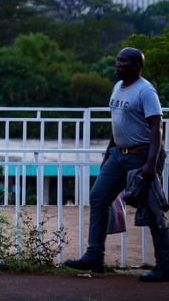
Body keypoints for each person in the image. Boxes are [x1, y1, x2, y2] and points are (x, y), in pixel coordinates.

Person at [64, 47, 167, 282]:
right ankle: (94, 257)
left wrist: (151, 162)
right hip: (118, 155)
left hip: (141, 157)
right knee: (98, 198)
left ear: (136, 66)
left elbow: (156, 127)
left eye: (123, 61)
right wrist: (107, 154)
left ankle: (165, 265)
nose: (117, 64)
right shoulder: (117, 87)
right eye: (117, 60)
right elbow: (117, 123)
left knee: (152, 211)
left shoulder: (145, 91)